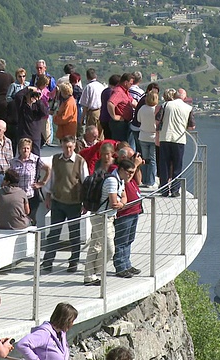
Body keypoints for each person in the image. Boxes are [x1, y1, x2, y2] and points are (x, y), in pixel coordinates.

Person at [42, 135, 88, 273]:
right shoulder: (56, 159)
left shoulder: (80, 161)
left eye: (70, 147)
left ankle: (73, 262)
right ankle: (47, 261)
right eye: (65, 147)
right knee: (53, 233)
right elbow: (52, 179)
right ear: (61, 146)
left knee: (74, 234)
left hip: (74, 203)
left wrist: (85, 203)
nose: (67, 150)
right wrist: (48, 196)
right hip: (58, 201)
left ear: (74, 146)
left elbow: (86, 183)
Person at [83, 145, 127, 286]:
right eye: (104, 154)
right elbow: (115, 203)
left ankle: (89, 276)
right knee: (109, 249)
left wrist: (121, 202)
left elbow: (123, 196)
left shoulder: (118, 177)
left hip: (104, 216)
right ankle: (97, 271)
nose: (106, 156)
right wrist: (121, 204)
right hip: (101, 216)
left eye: (109, 154)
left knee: (95, 246)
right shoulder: (112, 177)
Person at [157, 88, 195, 197]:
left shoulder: (166, 105)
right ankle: (175, 190)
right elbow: (192, 126)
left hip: (165, 137)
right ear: (184, 97)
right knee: (177, 166)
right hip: (179, 140)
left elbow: (158, 119)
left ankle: (164, 189)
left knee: (164, 164)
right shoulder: (188, 108)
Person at [112, 150, 143, 278]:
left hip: (134, 210)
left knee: (129, 239)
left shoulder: (128, 173)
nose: (131, 174)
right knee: (121, 240)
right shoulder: (115, 174)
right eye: (129, 172)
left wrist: (137, 167)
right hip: (125, 212)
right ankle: (120, 266)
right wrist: (134, 165)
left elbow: (139, 181)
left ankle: (127, 264)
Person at [9, 138, 50, 226]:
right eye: (23, 148)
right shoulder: (13, 162)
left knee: (30, 219)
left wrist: (42, 183)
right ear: (19, 149)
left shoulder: (36, 160)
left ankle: (32, 236)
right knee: (19, 219)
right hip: (18, 196)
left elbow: (48, 169)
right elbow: (10, 177)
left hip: (31, 196)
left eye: (27, 148)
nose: (25, 150)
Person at [15, 85, 48, 156]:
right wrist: (28, 88)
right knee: (22, 156)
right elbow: (17, 96)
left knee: (36, 158)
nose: (32, 96)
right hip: (24, 135)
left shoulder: (38, 106)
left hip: (35, 136)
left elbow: (45, 113)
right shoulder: (22, 105)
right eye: (30, 94)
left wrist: (38, 100)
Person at [137, 90, 159, 188]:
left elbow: (138, 120)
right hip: (153, 137)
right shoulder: (157, 109)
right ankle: (151, 181)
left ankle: (144, 180)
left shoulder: (142, 108)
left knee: (145, 159)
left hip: (143, 136)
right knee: (152, 160)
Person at [107, 73, 136, 141]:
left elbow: (132, 101)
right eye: (131, 84)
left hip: (125, 122)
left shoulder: (125, 91)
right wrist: (114, 116)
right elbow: (110, 103)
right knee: (120, 144)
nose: (131, 86)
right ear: (126, 82)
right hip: (119, 124)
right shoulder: (118, 91)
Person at [5, 68, 29, 151]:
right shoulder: (13, 86)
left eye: (23, 76)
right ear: (16, 77)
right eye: (20, 76)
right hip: (15, 111)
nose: (22, 78)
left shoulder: (28, 85)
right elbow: (8, 97)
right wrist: (15, 102)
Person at [79, 68, 106, 141]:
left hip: (93, 113)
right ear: (96, 76)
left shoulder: (88, 87)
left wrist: (82, 118)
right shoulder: (101, 86)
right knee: (100, 134)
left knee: (92, 134)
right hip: (101, 111)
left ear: (87, 77)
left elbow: (85, 105)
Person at [127, 71, 144, 151]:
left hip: (124, 117)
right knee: (135, 144)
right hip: (136, 121)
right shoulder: (140, 93)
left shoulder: (126, 90)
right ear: (140, 80)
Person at [99, 74, 119, 140]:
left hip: (103, 118)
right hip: (109, 119)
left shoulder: (105, 91)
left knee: (107, 137)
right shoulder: (112, 92)